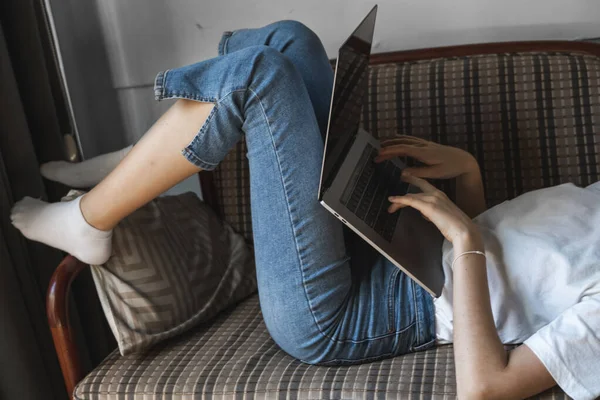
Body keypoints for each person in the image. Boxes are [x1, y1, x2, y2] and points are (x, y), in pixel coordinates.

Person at [10, 21, 600, 400]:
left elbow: (485, 387)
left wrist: (465, 242)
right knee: (293, 43)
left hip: (346, 318)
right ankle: (136, 169)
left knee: (262, 78)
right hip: (402, 242)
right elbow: (514, 266)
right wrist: (466, 174)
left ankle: (91, 220)